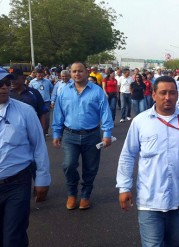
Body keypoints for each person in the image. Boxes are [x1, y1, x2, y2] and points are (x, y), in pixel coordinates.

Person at [117, 76, 179, 247]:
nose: (167, 97)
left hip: (178, 199)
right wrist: (124, 187)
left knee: (173, 243)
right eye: (163, 93)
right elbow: (128, 155)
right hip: (149, 200)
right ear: (153, 95)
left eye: (172, 93)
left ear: (177, 95)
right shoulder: (141, 121)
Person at [52, 62, 114, 210]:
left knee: (90, 168)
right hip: (69, 135)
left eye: (80, 71)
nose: (76, 74)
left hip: (92, 135)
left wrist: (107, 133)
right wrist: (56, 132)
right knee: (68, 165)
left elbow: (105, 112)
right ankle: (72, 194)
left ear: (86, 72)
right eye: (74, 71)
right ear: (70, 73)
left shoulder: (97, 91)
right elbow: (58, 114)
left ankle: (85, 195)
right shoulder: (64, 91)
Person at [0, 67, 51, 246]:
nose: (4, 87)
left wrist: (42, 179)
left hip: (17, 183)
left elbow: (38, 145)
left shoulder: (25, 111)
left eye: (7, 83)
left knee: (13, 237)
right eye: (0, 84)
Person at [29, 69, 53, 136]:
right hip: (36, 103)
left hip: (46, 102)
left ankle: (45, 132)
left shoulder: (48, 81)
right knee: (37, 117)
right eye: (38, 74)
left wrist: (52, 100)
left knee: (47, 118)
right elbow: (29, 92)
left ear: (43, 74)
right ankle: (39, 132)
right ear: (36, 74)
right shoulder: (32, 82)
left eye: (41, 74)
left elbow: (52, 89)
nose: (40, 75)